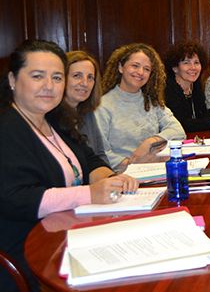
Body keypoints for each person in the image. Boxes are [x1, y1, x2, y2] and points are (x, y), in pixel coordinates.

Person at [0, 40, 138, 290]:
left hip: (68, 236)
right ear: (12, 80)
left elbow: (89, 159)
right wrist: (89, 193)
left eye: (56, 77)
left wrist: (110, 179)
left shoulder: (55, 119)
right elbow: (16, 198)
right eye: (37, 76)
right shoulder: (7, 128)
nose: (49, 86)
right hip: (27, 254)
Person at [95, 43, 186, 171]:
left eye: (147, 69)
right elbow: (101, 153)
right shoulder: (102, 106)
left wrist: (151, 141)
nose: (140, 72)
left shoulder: (151, 102)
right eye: (135, 66)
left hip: (154, 170)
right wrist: (135, 164)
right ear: (121, 67)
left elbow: (178, 131)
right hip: (121, 176)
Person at [163, 42, 210, 132]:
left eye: (196, 62)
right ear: (175, 68)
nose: (193, 67)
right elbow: (180, 124)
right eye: (186, 63)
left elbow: (203, 116)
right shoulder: (168, 89)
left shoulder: (196, 86)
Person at [58, 51, 110, 167]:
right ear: (61, 78)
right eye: (77, 76)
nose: (85, 83)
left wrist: (110, 178)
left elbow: (100, 154)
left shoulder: (87, 113)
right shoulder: (51, 116)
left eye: (90, 77)